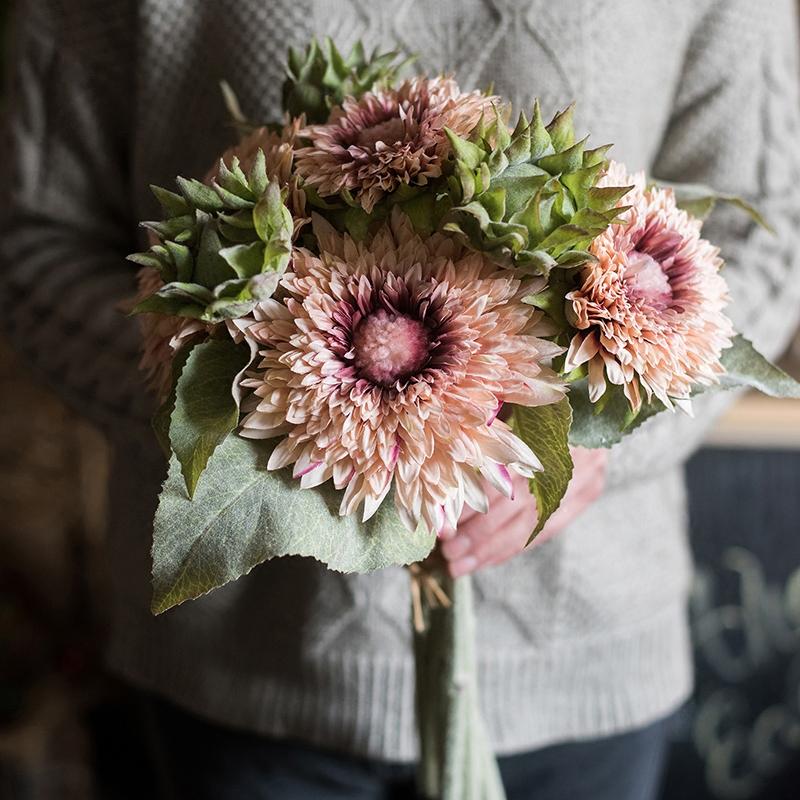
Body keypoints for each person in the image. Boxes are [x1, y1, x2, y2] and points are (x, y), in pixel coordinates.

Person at [2, 1, 799, 798]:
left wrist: (600, 440)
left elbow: (768, 233)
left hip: (583, 660)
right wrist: (255, 409)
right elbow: (33, 240)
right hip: (245, 671)